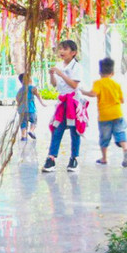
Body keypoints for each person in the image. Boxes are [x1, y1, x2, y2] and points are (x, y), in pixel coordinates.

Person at [42, 39, 86, 173]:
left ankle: (74, 158)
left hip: (73, 102)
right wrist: (52, 75)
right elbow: (55, 85)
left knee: (74, 131)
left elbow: (74, 85)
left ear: (73, 53)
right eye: (60, 49)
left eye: (65, 49)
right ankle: (51, 158)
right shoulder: (59, 65)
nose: (61, 51)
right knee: (57, 130)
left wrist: (61, 74)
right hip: (62, 103)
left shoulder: (77, 67)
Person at [80, 57, 127, 167]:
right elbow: (122, 100)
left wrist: (83, 92)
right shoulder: (116, 84)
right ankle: (126, 150)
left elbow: (93, 93)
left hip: (105, 116)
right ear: (112, 73)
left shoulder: (98, 83)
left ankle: (104, 158)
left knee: (104, 137)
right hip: (117, 113)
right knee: (120, 133)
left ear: (100, 72)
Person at [17, 73, 41, 141]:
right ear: (29, 79)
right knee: (34, 121)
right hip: (31, 109)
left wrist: (19, 104)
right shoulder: (31, 87)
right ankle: (31, 130)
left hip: (22, 110)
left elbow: (17, 98)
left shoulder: (20, 89)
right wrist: (42, 102)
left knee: (23, 123)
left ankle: (23, 136)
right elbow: (37, 94)